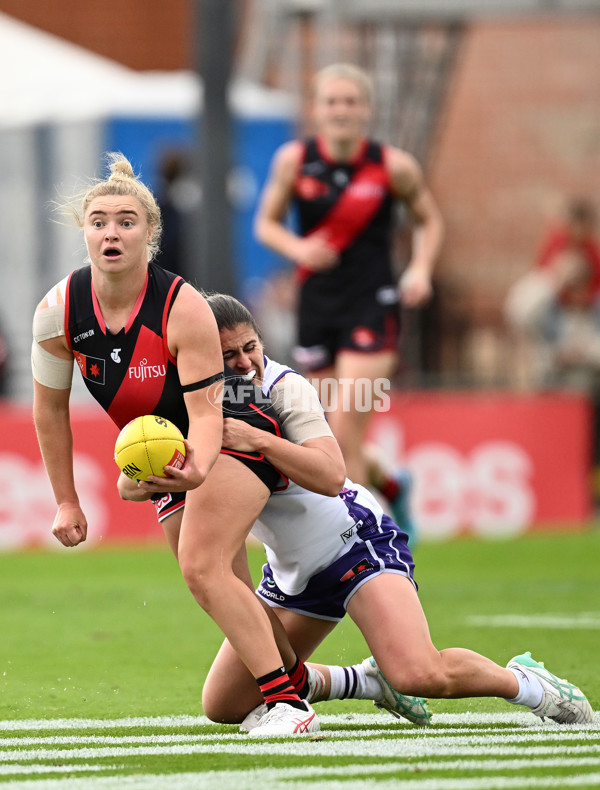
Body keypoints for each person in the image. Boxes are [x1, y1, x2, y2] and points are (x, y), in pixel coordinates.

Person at [200, 293, 594, 734]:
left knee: (421, 674)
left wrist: (261, 441)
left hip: (351, 541)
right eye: (227, 354)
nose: (243, 362)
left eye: (249, 347)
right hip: (292, 569)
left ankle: (527, 683)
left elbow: (332, 474)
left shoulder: (285, 388)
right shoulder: (199, 402)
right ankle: (369, 681)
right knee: (225, 702)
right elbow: (137, 481)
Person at [31, 152, 319, 737]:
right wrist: (66, 501)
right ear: (84, 231)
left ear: (150, 234)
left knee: (200, 566)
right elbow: (50, 412)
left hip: (233, 433)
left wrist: (200, 466)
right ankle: (344, 682)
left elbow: (209, 415)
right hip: (167, 453)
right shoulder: (56, 313)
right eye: (99, 221)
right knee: (226, 588)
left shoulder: (181, 306)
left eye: (127, 221)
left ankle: (287, 708)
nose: (112, 231)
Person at [253, 62, 444, 544]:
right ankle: (391, 482)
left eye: (350, 101)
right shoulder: (294, 161)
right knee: (323, 430)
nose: (341, 110)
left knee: (345, 424)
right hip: (318, 305)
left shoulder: (392, 165)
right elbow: (266, 224)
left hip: (373, 304)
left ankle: (366, 543)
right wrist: (299, 250)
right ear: (317, 109)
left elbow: (430, 221)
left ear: (366, 109)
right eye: (332, 101)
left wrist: (420, 268)